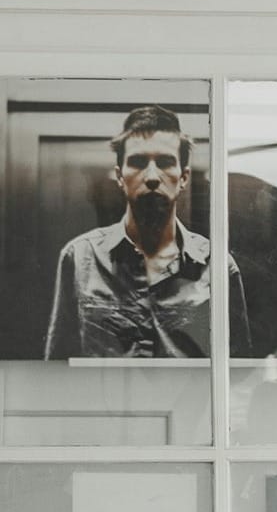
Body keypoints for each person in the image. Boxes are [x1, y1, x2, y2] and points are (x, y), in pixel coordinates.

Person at [43, 104, 249, 360]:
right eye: (138, 162)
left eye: (164, 162)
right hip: (100, 401)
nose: (152, 176)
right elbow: (56, 366)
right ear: (120, 176)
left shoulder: (217, 266)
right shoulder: (80, 257)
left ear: (183, 177)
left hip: (189, 402)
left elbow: (237, 372)